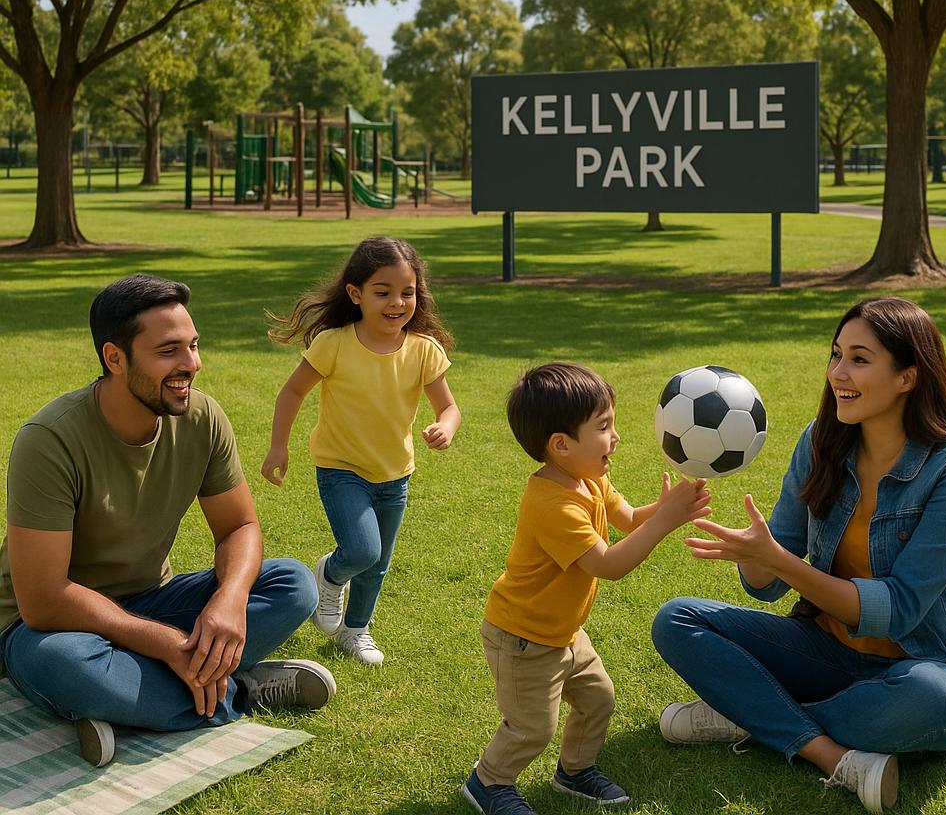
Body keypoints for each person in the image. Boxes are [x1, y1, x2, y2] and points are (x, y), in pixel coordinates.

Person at [651, 297, 946, 814]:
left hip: (932, 665)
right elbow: (767, 583)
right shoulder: (820, 443)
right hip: (829, 652)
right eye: (836, 354)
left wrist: (779, 560)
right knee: (677, 620)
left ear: (908, 376)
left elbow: (900, 607)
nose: (839, 372)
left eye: (860, 359)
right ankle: (824, 747)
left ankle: (752, 711)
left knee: (933, 702)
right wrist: (757, 554)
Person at [0, 275, 335, 769]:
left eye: (194, 346)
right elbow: (44, 598)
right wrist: (167, 643)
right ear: (115, 359)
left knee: (293, 584)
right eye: (169, 351)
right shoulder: (49, 441)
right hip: (49, 628)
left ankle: (137, 701)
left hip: (152, 600)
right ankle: (236, 689)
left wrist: (228, 600)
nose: (191, 365)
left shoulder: (202, 418)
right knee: (65, 666)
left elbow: (239, 527)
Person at [463, 362, 713, 815]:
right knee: (532, 728)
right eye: (604, 427)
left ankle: (574, 771)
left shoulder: (591, 478)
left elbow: (629, 518)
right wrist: (665, 520)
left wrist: (668, 506)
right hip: (523, 639)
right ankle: (489, 782)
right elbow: (608, 564)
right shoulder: (552, 505)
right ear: (560, 445)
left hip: (565, 633)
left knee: (599, 699)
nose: (615, 437)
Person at [261, 236, 461, 666]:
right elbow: (292, 392)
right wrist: (279, 446)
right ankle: (329, 575)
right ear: (356, 294)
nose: (397, 303)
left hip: (395, 475)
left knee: (378, 565)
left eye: (407, 292)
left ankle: (355, 631)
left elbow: (448, 406)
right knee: (362, 551)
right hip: (341, 469)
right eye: (383, 292)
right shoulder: (334, 343)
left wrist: (445, 426)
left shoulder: (423, 350)